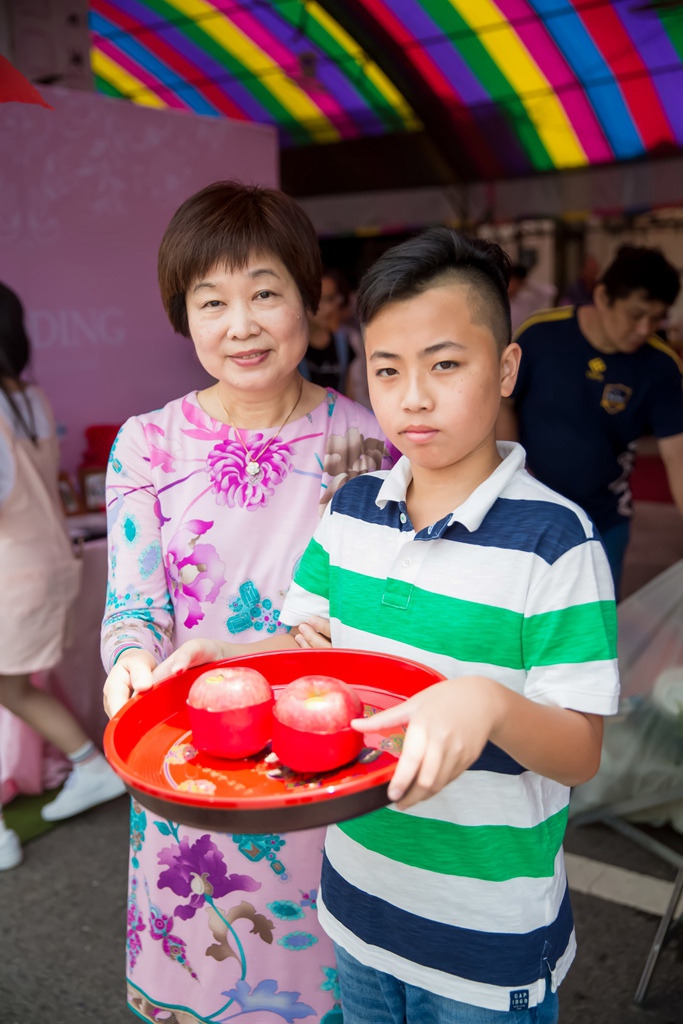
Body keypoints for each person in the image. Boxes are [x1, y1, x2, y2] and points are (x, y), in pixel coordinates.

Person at [157, 228, 619, 1023]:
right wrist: (223, 658)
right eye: (386, 369)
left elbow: (578, 751)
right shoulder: (352, 509)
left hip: (486, 937)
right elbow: (310, 646)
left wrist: (489, 706)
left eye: (445, 365)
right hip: (358, 902)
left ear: (504, 368)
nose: (412, 397)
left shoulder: (556, 542)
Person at [101, 181, 391, 1023]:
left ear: (308, 296)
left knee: (330, 988)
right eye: (212, 301)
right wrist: (129, 665)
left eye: (265, 292)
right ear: (182, 315)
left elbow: (364, 615)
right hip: (191, 767)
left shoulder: (364, 440)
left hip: (322, 766)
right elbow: (133, 605)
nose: (241, 325)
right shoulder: (145, 444)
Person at [0, 282, 125, 871]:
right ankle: (90, 765)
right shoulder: (30, 397)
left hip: (12, 568)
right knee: (14, 690)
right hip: (46, 559)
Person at [498, 245, 683, 596]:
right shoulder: (541, 336)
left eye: (656, 318)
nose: (644, 329)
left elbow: (677, 454)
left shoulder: (660, 367)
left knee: (591, 630)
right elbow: (504, 403)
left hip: (604, 519)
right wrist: (513, 469)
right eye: (635, 314)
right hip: (530, 512)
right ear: (602, 296)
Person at [300, 267, 355, 393]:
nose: (328, 307)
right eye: (319, 300)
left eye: (331, 299)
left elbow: (349, 393)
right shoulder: (293, 346)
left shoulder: (343, 345)